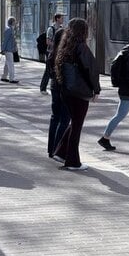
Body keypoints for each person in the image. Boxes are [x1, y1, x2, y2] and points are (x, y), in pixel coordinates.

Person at [53, 17, 100, 170]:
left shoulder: (65, 46)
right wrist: (96, 89)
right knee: (77, 126)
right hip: (79, 93)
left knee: (74, 123)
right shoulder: (82, 47)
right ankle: (73, 161)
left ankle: (61, 152)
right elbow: (91, 70)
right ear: (83, 31)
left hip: (66, 91)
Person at [45, 22, 70, 160]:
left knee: (55, 117)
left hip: (54, 87)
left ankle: (51, 149)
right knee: (65, 119)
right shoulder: (64, 54)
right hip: (63, 89)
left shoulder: (52, 53)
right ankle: (58, 149)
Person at [40, 13, 64, 94]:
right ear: (57, 19)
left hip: (59, 52)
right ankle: (43, 88)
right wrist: (57, 44)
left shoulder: (61, 28)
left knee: (57, 70)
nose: (62, 20)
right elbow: (48, 42)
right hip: (50, 52)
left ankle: (56, 87)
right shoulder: (51, 29)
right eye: (61, 18)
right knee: (48, 70)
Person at [1, 17, 19, 83]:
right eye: (14, 21)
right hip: (8, 50)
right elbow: (5, 40)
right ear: (12, 22)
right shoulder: (8, 30)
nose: (15, 23)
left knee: (7, 64)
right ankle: (12, 79)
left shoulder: (11, 29)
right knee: (11, 64)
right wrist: (3, 49)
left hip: (9, 49)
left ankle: (4, 77)